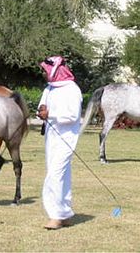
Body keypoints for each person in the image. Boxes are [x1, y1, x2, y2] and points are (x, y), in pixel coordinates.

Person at [37, 56, 83, 230]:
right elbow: (43, 104)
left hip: (67, 138)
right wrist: (42, 110)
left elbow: (72, 115)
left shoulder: (72, 90)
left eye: (45, 70)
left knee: (55, 174)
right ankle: (65, 213)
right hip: (51, 137)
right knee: (60, 174)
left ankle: (55, 216)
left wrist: (51, 115)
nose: (43, 73)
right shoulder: (49, 88)